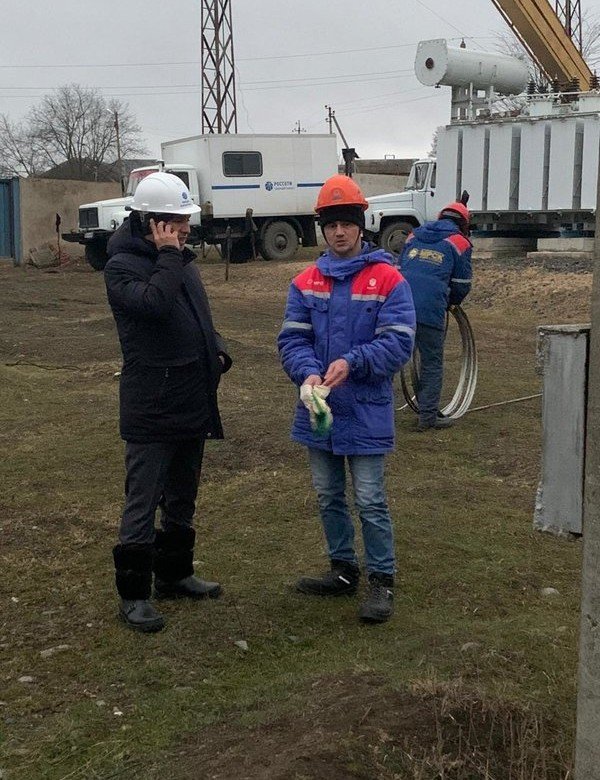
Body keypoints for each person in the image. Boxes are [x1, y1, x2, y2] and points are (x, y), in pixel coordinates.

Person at [278, 175, 416, 624]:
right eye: (331, 224)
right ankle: (342, 571)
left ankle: (382, 580)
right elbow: (292, 340)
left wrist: (353, 363)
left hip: (366, 408)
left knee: (371, 499)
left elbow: (399, 343)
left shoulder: (389, 280)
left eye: (347, 223)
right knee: (328, 495)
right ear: (322, 229)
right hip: (320, 410)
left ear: (361, 226)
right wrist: (307, 370)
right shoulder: (305, 282)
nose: (339, 232)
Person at [104, 171, 232, 633]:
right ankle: (134, 593)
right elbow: (155, 306)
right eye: (176, 221)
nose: (184, 228)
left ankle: (175, 574)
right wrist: (168, 256)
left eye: (185, 220)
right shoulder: (121, 267)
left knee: (182, 494)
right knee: (143, 500)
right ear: (152, 222)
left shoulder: (178, 260)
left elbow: (195, 313)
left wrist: (215, 346)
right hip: (151, 404)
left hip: (190, 396)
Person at [399, 202, 473, 431]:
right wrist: (452, 302)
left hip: (400, 305)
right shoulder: (460, 242)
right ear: (463, 224)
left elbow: (401, 267)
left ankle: (423, 407)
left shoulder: (413, 236)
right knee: (431, 361)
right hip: (431, 308)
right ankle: (428, 417)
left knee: (395, 356)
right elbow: (462, 284)